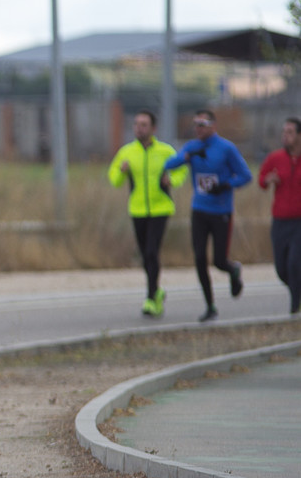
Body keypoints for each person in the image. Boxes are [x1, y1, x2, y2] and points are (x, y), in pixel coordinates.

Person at [163, 109, 253, 322]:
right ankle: (210, 305)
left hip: (221, 211)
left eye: (202, 124)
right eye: (196, 124)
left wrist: (225, 185)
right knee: (200, 258)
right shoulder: (193, 147)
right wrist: (185, 157)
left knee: (219, 261)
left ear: (213, 126)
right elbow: (169, 164)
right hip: (199, 210)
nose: (198, 128)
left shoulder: (226, 148)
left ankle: (233, 270)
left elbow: (245, 175)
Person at [106, 110, 188, 317]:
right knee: (145, 255)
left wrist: (173, 180)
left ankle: (151, 298)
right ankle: (157, 291)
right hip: (138, 209)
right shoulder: (127, 152)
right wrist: (122, 171)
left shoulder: (165, 151)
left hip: (160, 208)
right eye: (136, 124)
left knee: (152, 251)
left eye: (143, 124)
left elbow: (182, 169)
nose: (139, 128)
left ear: (153, 128)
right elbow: (113, 178)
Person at [258, 116, 301, 314]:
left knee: (294, 262)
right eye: (284, 132)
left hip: (299, 221)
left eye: (290, 132)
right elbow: (261, 179)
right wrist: (268, 180)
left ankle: (294, 308)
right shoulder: (276, 158)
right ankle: (297, 291)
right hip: (280, 220)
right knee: (282, 269)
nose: (285, 136)